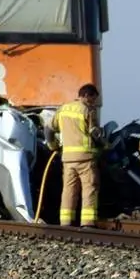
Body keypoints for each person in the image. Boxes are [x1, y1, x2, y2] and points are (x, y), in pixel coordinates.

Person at [45, 83, 103, 228]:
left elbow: (48, 128)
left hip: (68, 159)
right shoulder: (88, 110)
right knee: (89, 189)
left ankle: (66, 222)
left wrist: (52, 146)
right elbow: (94, 133)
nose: (94, 102)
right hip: (86, 158)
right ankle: (88, 223)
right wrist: (104, 144)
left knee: (69, 190)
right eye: (93, 99)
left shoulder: (63, 109)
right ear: (86, 95)